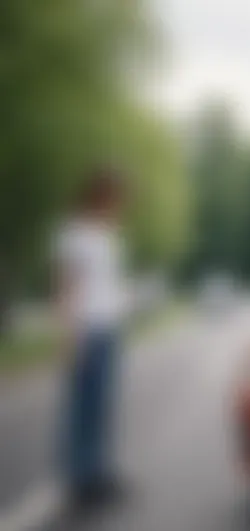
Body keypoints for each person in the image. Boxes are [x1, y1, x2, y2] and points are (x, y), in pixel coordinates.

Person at [53, 170, 127, 504]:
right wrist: (69, 333)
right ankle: (78, 479)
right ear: (99, 195)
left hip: (108, 328)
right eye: (115, 198)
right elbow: (66, 284)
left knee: (101, 405)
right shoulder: (74, 233)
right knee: (82, 407)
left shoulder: (108, 234)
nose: (119, 206)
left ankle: (97, 472)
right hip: (87, 330)